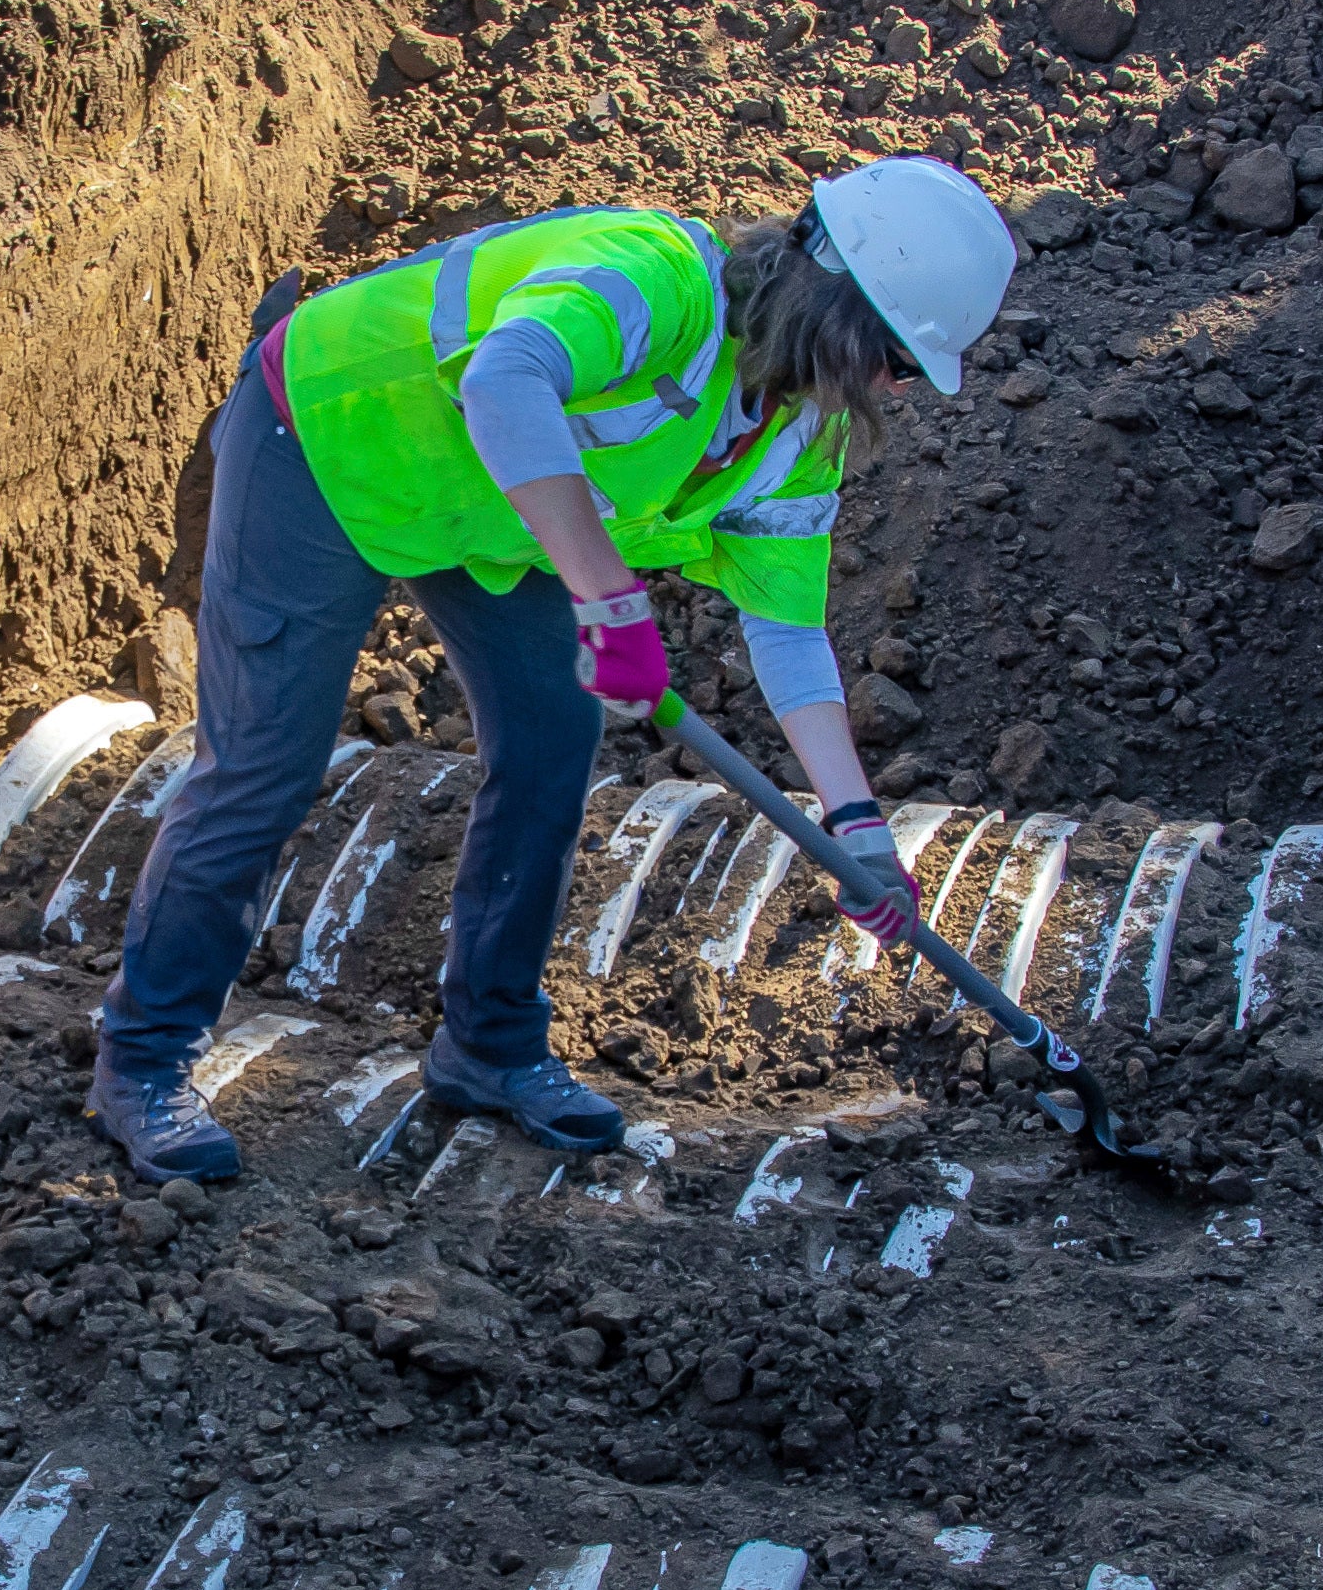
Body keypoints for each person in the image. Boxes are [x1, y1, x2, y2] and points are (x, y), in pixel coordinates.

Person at [88, 157, 1018, 1181]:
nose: (895, 388)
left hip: (486, 512)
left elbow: (790, 635)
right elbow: (503, 376)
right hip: (327, 439)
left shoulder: (799, 437)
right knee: (265, 764)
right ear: (841, 313)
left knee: (550, 742)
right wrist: (609, 598)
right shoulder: (653, 275)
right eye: (896, 360)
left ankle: (489, 1046)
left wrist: (859, 831)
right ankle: (144, 1063)